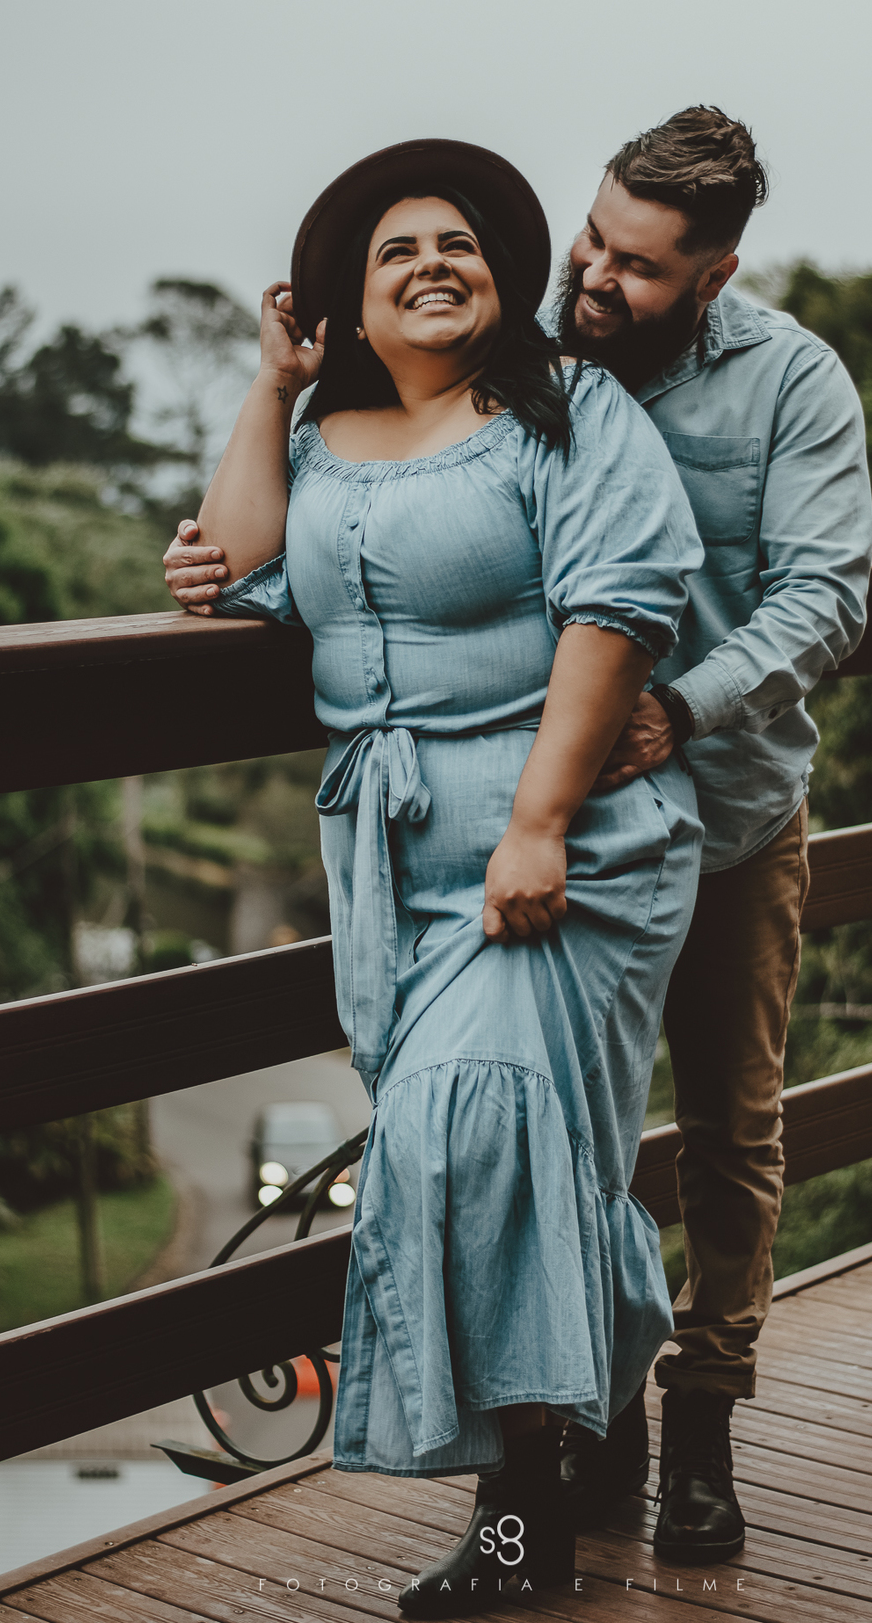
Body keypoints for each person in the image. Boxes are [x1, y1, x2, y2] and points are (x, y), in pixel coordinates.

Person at [166, 139, 705, 1615]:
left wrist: (536, 824)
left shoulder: (564, 410)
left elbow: (620, 603)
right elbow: (236, 558)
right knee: (529, 1160)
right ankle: (606, 1398)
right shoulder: (328, 433)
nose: (433, 262)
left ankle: (521, 1534)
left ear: (503, 273)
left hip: (568, 851)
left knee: (469, 1139)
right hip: (389, 862)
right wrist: (273, 384)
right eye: (397, 248)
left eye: (459, 241)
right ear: (349, 292)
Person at [550, 106, 872, 1564]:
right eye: (593, 239)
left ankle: (704, 1429)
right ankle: (597, 1419)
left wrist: (682, 708)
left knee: (731, 1138)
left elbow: (828, 596)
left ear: (717, 271)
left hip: (736, 816)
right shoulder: (536, 358)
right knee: (582, 1134)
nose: (596, 278)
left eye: (637, 267)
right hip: (570, 826)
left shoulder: (794, 381)